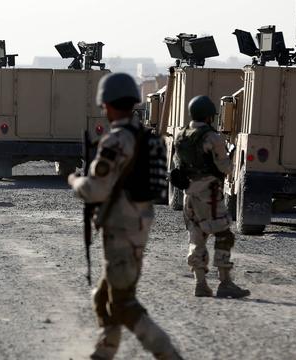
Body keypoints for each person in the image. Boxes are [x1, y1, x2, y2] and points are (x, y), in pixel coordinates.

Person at [68, 73, 182, 360]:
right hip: (136, 223)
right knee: (102, 297)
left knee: (122, 304)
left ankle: (168, 354)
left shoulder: (117, 140)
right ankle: (103, 353)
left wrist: (74, 182)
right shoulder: (144, 135)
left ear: (107, 104)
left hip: (122, 229)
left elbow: (95, 190)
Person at [173, 95, 251, 298]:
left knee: (196, 238)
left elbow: (177, 164)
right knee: (224, 236)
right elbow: (224, 168)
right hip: (209, 195)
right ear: (208, 116)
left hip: (189, 195)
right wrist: (229, 158)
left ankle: (200, 284)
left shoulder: (181, 135)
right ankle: (225, 283)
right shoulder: (212, 137)